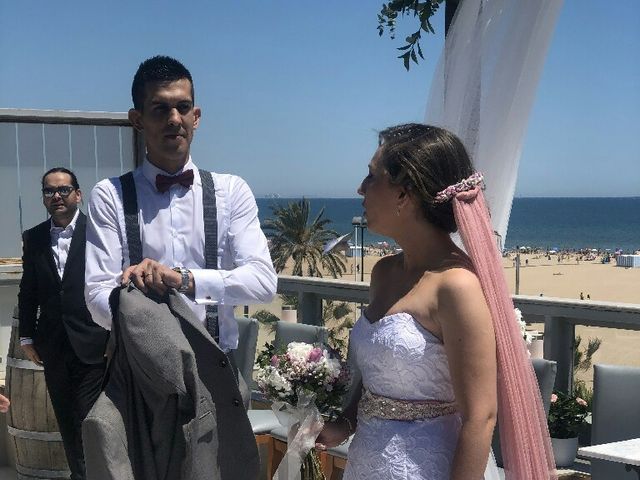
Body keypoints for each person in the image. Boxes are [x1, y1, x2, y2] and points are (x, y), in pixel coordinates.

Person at [317, 124, 555, 479]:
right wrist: (344, 423)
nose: (361, 188)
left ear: (405, 194)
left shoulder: (456, 286)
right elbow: (380, 373)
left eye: (372, 176)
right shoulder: (383, 273)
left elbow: (481, 415)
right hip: (367, 461)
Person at [85, 55, 277, 399]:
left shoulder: (231, 191)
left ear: (196, 116)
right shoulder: (110, 195)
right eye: (160, 109)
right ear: (137, 119)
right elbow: (97, 297)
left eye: (183, 107)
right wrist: (140, 303)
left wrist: (185, 280)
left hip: (218, 372)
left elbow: (263, 282)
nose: (174, 119)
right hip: (140, 377)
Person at [18, 167, 109, 480]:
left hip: (94, 344)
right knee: (67, 421)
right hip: (53, 346)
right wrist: (26, 338)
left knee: (90, 420)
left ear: (77, 194)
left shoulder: (99, 233)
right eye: (49, 191)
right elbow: (28, 290)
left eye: (63, 189)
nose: (56, 196)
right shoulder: (34, 237)